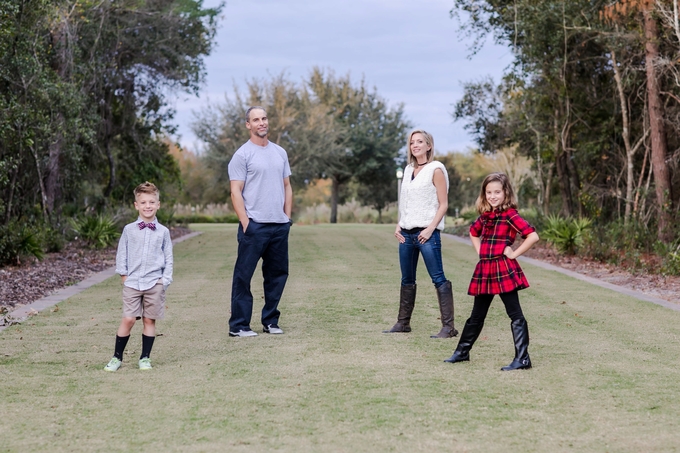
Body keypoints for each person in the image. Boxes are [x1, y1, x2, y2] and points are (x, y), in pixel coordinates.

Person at [444, 172, 539, 370]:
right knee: (477, 315)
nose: (493, 196)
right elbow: (473, 232)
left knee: (515, 313)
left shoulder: (510, 215)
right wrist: (481, 251)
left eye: (497, 192)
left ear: (506, 193)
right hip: (485, 270)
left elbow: (532, 236)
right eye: (489, 192)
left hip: (503, 269)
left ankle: (523, 359)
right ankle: (462, 352)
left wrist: (514, 254)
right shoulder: (486, 216)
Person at [384, 129, 458, 339]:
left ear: (428, 146)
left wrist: (430, 228)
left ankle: (448, 327)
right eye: (411, 142)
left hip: (427, 234)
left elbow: (443, 205)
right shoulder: (408, 170)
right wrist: (399, 224)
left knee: (438, 278)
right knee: (407, 279)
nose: (415, 145)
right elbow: (406, 204)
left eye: (419, 142)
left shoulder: (436, 169)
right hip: (406, 235)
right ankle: (403, 323)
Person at [227, 106, 292, 337]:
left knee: (277, 275)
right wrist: (246, 222)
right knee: (243, 276)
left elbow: (286, 185)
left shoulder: (280, 153)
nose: (261, 123)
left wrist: (287, 218)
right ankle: (239, 326)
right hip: (254, 226)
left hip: (279, 226)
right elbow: (236, 191)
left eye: (264, 118)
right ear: (248, 125)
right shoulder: (242, 155)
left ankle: (270, 321)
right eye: (256, 120)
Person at [105, 181, 173, 371]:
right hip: (133, 282)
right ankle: (117, 358)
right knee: (128, 319)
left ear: (158, 204)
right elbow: (122, 254)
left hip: (154, 283)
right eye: (143, 202)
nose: (148, 206)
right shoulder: (129, 230)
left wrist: (164, 281)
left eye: (152, 202)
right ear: (136, 205)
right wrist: (124, 277)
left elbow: (168, 258)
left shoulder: (163, 232)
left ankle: (145, 358)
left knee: (149, 320)